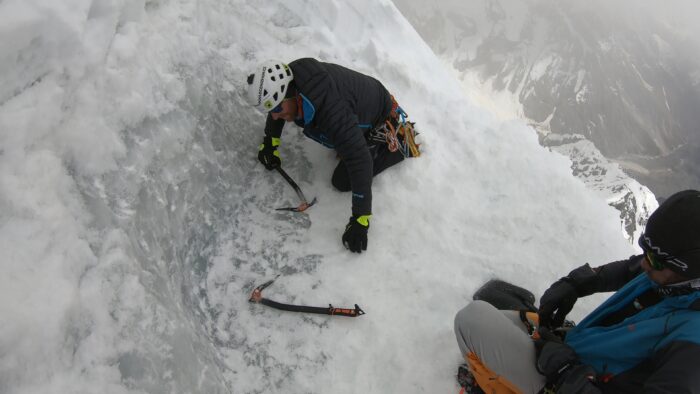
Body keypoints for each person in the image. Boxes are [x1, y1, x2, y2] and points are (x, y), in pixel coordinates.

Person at [454, 189, 700, 393]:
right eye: (645, 251)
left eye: (655, 261)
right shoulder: (675, 278)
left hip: (569, 382)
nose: (645, 263)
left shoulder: (692, 350)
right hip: (577, 355)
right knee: (502, 318)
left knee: (472, 320)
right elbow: (630, 269)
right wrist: (576, 283)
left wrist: (566, 373)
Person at [245, 58, 419, 253]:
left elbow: (359, 159)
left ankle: (400, 141)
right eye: (272, 109)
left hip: (379, 115)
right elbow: (276, 106)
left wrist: (360, 221)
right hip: (360, 102)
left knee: (342, 181)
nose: (275, 116)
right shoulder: (292, 83)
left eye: (277, 109)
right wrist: (270, 142)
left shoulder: (332, 112)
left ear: (290, 95)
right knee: (342, 140)